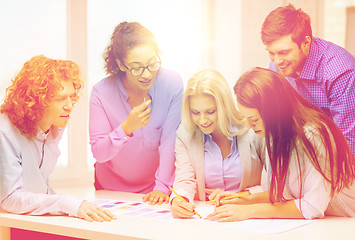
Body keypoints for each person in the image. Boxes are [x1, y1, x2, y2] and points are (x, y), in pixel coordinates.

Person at [207, 67, 355, 222]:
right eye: (245, 118)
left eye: (254, 119)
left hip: (347, 222)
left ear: (273, 111)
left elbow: (312, 207)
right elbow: (283, 193)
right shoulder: (273, 133)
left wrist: (249, 211)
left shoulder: (314, 134)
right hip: (326, 223)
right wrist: (242, 199)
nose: (249, 126)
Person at [0, 55, 116, 222]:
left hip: (32, 220)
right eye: (61, 99)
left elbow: (38, 184)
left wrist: (75, 206)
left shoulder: (53, 126)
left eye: (71, 96)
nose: (69, 105)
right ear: (37, 100)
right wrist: (66, 203)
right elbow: (8, 198)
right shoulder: (5, 132)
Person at [89, 22, 183, 205]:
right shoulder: (101, 92)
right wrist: (126, 128)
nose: (147, 74)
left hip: (155, 189)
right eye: (136, 67)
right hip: (109, 189)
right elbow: (99, 153)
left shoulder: (172, 84)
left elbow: (170, 141)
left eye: (152, 64)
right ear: (121, 65)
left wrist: (162, 186)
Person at [260, 4, 355, 156]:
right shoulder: (278, 64)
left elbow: (349, 144)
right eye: (271, 53)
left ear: (306, 43)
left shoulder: (340, 73)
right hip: (306, 154)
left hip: (340, 158)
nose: (277, 61)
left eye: (284, 52)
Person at [170, 69, 266, 218]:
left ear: (224, 106)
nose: (202, 120)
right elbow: (184, 179)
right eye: (195, 112)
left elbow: (276, 185)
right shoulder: (185, 134)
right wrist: (180, 199)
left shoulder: (253, 129)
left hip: (248, 216)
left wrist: (242, 197)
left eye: (210, 111)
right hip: (208, 219)